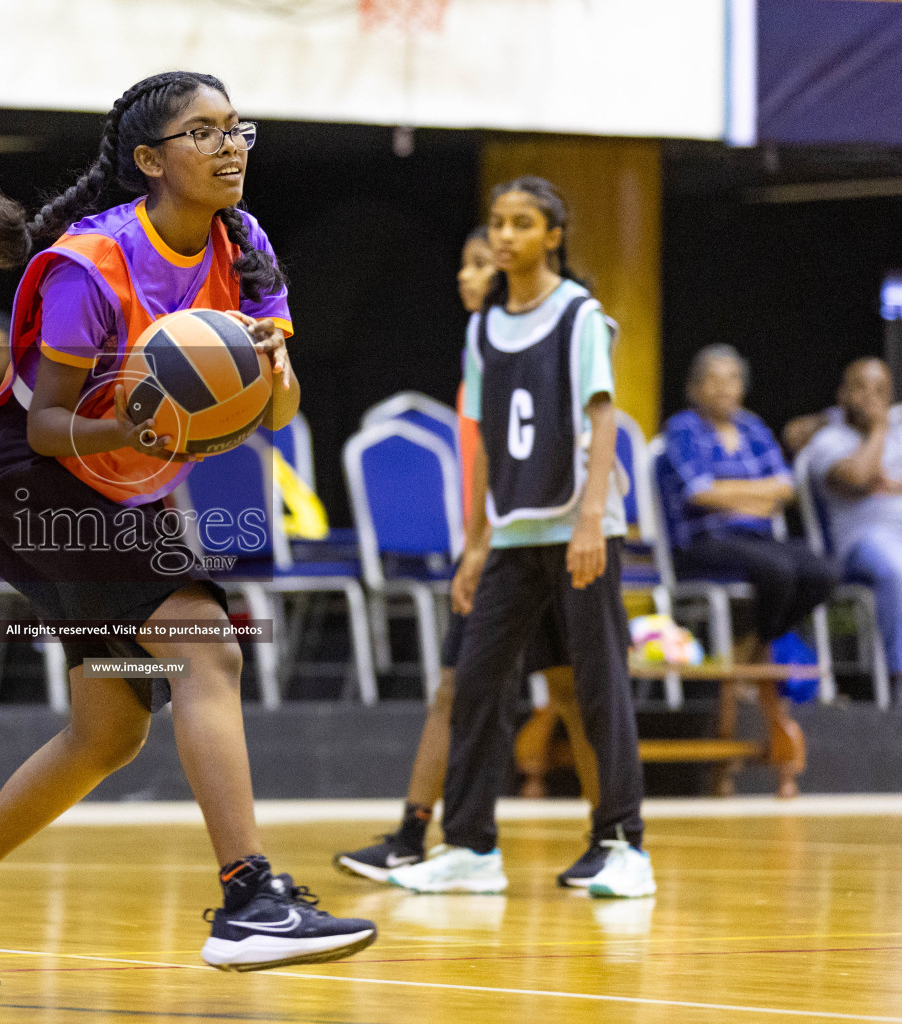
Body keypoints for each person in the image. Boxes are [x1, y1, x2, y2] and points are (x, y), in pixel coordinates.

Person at [0, 71, 376, 995]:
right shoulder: (88, 267)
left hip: (117, 492)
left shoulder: (244, 246)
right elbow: (53, 425)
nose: (231, 147)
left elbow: (278, 408)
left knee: (108, 732)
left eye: (239, 129)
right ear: (150, 160)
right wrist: (142, 425)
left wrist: (266, 371)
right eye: (204, 132)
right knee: (203, 643)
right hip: (28, 476)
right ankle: (249, 896)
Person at [385, 177, 655, 899]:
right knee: (475, 683)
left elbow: (603, 424)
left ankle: (623, 843)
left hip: (579, 528)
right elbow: (482, 450)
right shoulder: (483, 328)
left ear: (553, 236)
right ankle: (470, 846)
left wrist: (593, 518)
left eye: (523, 223)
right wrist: (474, 543)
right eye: (499, 223)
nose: (506, 236)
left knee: (599, 687)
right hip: (509, 534)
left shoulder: (580, 317)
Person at [335, 227, 601, 886]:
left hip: (539, 547)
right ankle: (413, 834)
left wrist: (484, 546)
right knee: (458, 688)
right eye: (464, 261)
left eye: (481, 263)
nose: (466, 275)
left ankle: (612, 836)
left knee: (570, 693)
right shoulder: (483, 352)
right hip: (495, 547)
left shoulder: (549, 348)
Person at [660, 344, 835, 664]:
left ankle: (753, 648)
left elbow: (785, 488)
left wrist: (728, 495)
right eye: (713, 379)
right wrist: (757, 496)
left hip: (758, 539)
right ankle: (755, 655)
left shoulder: (753, 428)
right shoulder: (683, 428)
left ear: (743, 386)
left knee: (822, 571)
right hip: (704, 542)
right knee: (778, 572)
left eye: (732, 378)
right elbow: (700, 493)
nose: (724, 387)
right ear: (695, 388)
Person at [805, 357, 902, 704]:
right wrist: (878, 429)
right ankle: (898, 676)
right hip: (860, 545)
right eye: (861, 387)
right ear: (842, 394)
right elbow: (858, 478)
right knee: (898, 568)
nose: (871, 397)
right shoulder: (828, 440)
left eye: (881, 391)